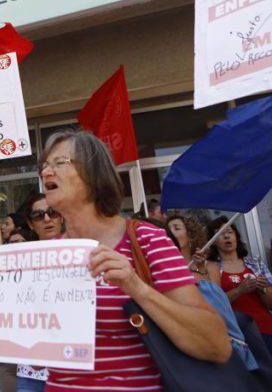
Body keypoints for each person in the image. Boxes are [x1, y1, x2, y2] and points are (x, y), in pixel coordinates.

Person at [38, 129, 230, 390]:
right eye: (45, 166)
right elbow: (37, 360)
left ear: (94, 174)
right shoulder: (45, 255)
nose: (46, 172)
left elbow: (216, 345)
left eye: (60, 163)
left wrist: (136, 288)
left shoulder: (147, 240)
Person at [166, 216, 258, 370]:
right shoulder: (166, 270)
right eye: (168, 230)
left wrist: (200, 269)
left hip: (218, 338)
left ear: (190, 235)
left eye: (176, 228)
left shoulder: (211, 267)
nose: (170, 233)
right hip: (188, 340)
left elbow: (218, 303)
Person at [12, 191, 66, 391]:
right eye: (38, 215)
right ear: (29, 223)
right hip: (31, 370)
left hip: (72, 367)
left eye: (52, 212)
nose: (46, 219)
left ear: (61, 216)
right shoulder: (18, 261)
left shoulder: (82, 253)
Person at [210, 220, 272, 355]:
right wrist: (239, 290)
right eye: (221, 233)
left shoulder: (255, 264)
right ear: (213, 241)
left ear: (236, 237)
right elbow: (214, 305)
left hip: (266, 329)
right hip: (236, 336)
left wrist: (263, 288)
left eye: (230, 232)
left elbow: (270, 304)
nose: (227, 236)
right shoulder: (212, 268)